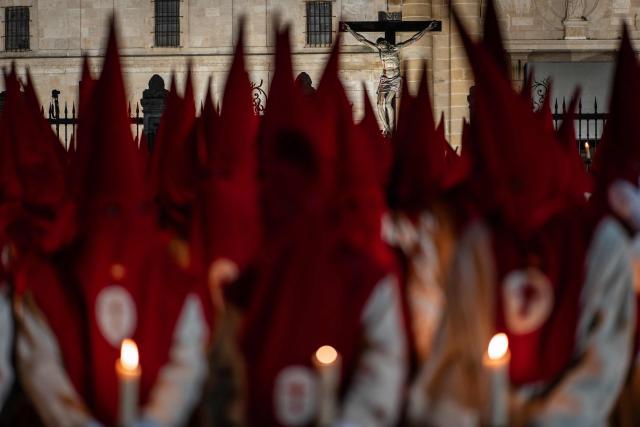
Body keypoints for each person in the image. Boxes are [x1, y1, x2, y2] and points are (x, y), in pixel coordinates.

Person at [344, 22, 436, 135]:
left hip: (395, 80)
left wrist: (427, 28)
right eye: (378, 46)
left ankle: (391, 128)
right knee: (379, 105)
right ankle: (386, 128)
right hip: (385, 79)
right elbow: (362, 40)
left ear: (385, 43)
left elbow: (413, 39)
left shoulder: (396, 48)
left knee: (387, 103)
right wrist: (350, 30)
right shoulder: (380, 51)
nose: (379, 47)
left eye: (380, 45)